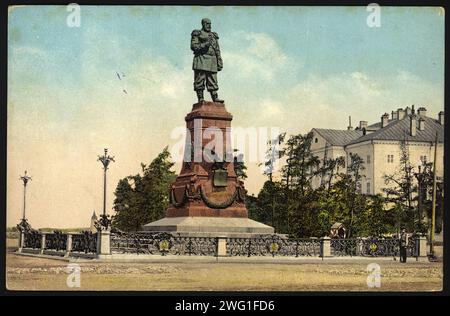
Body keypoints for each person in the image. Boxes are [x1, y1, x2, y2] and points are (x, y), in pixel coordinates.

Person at [191, 18, 224, 103]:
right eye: (207, 23)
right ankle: (200, 98)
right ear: (203, 24)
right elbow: (194, 46)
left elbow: (217, 50)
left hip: (212, 60)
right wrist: (205, 44)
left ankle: (215, 98)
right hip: (201, 59)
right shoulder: (197, 33)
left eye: (210, 24)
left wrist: (219, 61)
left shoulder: (213, 36)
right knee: (200, 80)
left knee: (213, 80)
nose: (209, 25)